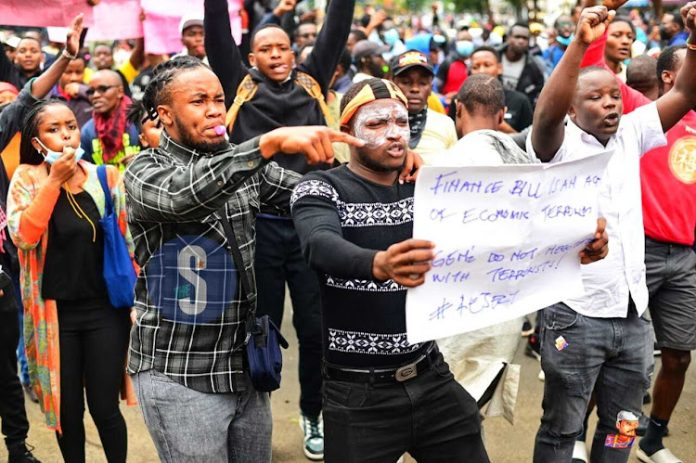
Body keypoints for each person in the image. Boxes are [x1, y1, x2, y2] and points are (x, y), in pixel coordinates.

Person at [124, 55, 363, 463]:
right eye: (199, 101)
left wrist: (381, 176)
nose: (215, 108)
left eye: (219, 98)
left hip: (246, 370)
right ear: (164, 114)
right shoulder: (145, 171)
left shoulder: (238, 161)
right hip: (181, 374)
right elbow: (186, 193)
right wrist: (267, 143)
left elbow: (307, 193)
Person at [290, 77, 490, 463]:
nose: (394, 133)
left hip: (432, 378)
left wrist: (569, 247)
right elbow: (319, 244)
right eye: (378, 124)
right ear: (346, 132)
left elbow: (499, 233)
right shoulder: (319, 189)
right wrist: (377, 263)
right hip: (358, 397)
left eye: (401, 121)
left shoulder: (429, 189)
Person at [529, 4, 696, 462]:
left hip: (633, 315)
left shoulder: (631, 132)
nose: (610, 105)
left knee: (621, 427)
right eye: (596, 98)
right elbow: (546, 110)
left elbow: (685, 91)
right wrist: (581, 44)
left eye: (615, 97)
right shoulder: (555, 142)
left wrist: (694, 41)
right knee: (563, 430)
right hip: (575, 316)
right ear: (572, 106)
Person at [205, 0, 356, 457]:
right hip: (258, 226)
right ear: (251, 58)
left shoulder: (312, 80)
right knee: (260, 328)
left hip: (311, 225)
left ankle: (313, 413)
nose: (274, 54)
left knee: (315, 328)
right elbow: (216, 35)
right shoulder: (238, 86)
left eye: (282, 48)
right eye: (264, 49)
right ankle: (257, 416)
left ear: (294, 53)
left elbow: (336, 25)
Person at [635, 44, 696, 463]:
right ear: (670, 78)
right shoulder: (643, 118)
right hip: (640, 251)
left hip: (686, 257)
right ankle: (581, 440)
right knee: (622, 358)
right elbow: (590, 71)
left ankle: (651, 441)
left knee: (677, 356)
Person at [388, 50, 456, 164]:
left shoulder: (445, 124)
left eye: (423, 83)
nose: (415, 89)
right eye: (405, 82)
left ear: (431, 88)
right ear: (392, 85)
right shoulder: (376, 124)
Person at [81, 69, 140, 171]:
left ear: (120, 92)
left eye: (103, 89)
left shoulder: (140, 121)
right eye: (91, 91)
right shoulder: (87, 131)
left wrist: (142, 159)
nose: (95, 95)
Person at [469, 46, 534, 133]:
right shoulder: (461, 101)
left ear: (499, 68)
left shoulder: (520, 101)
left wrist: (504, 129)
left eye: (487, 65)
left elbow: (530, 142)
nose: (482, 71)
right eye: (475, 67)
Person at [498, 23, 546, 108]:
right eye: (517, 37)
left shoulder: (535, 66)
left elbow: (539, 91)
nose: (521, 41)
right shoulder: (494, 58)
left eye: (525, 38)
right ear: (508, 38)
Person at [48, 53, 92, 128]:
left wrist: (82, 90)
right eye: (68, 72)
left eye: (78, 72)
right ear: (58, 71)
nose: (74, 78)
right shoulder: (48, 95)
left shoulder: (91, 93)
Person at [435, 28, 473, 103]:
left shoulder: (476, 63)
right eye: (462, 41)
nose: (465, 43)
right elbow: (437, 87)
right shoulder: (447, 63)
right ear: (456, 43)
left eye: (468, 41)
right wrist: (444, 98)